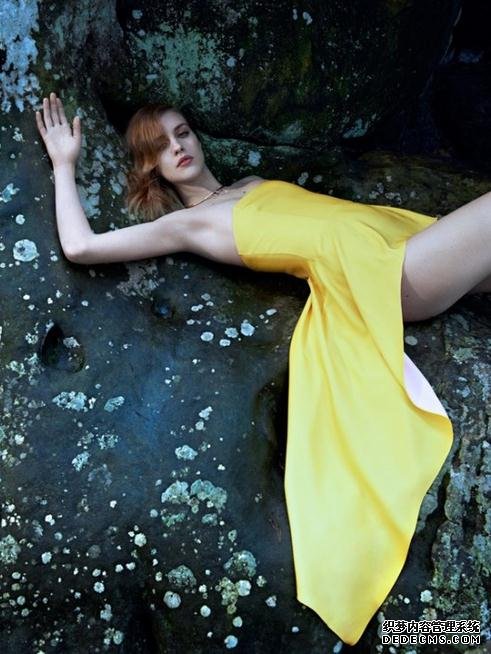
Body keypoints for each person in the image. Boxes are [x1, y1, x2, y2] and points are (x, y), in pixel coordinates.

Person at [35, 91, 489, 644]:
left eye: (182, 132)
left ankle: (446, 633)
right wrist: (64, 163)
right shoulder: (188, 225)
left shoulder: (248, 185)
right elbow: (81, 246)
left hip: (403, 236)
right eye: (160, 146)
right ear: (149, 166)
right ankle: (445, 633)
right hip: (386, 275)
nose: (178, 146)